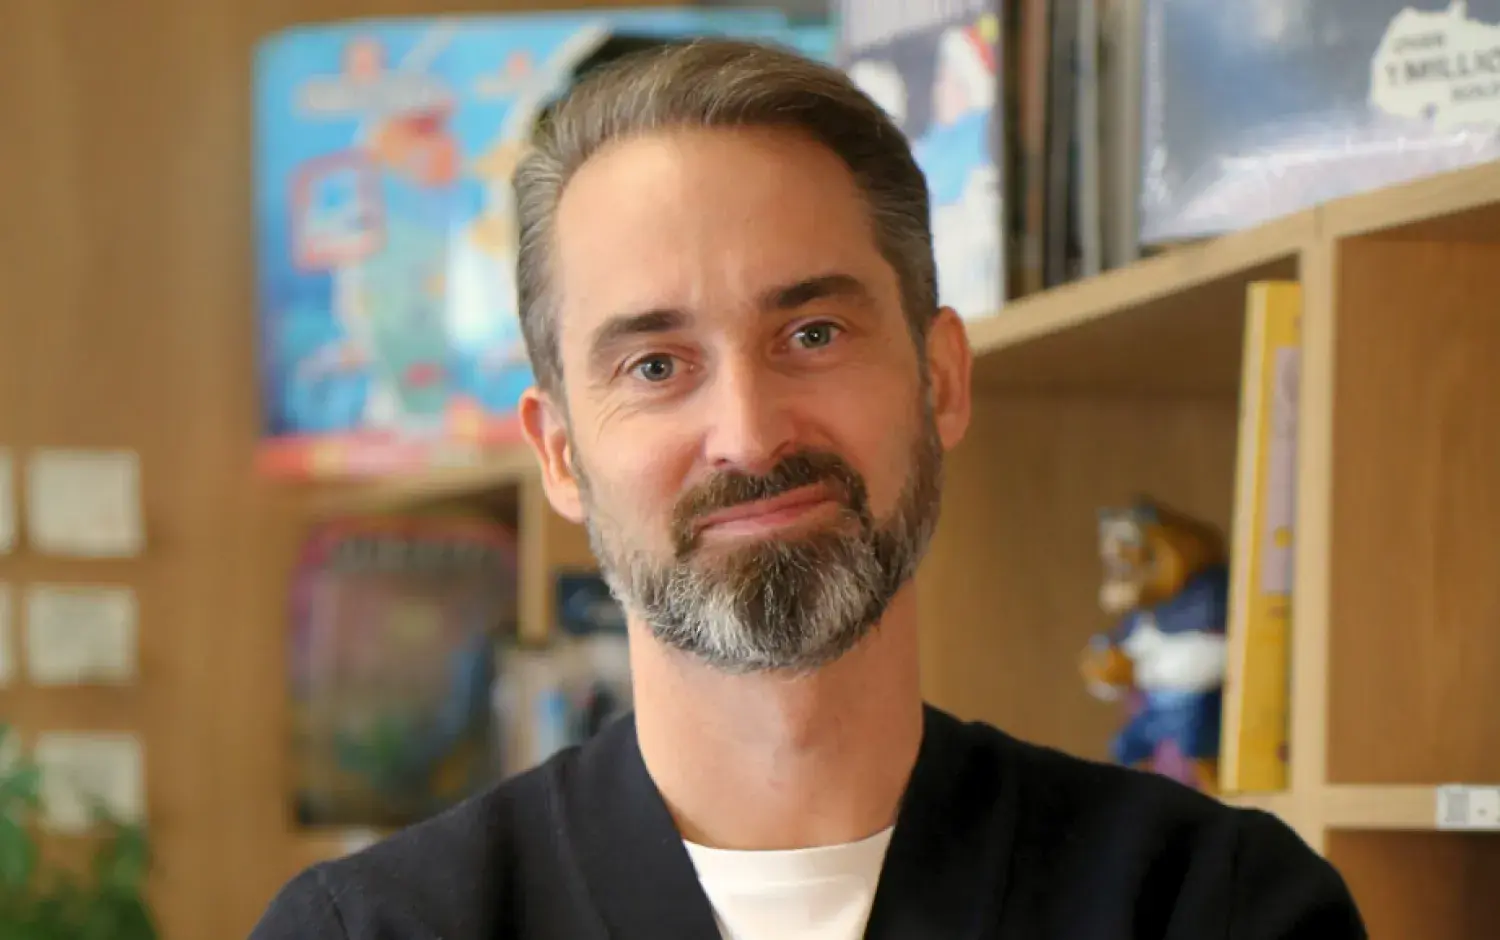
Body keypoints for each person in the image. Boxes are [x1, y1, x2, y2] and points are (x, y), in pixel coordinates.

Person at [249, 38, 1367, 940]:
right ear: (558, 455)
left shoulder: (1207, 906)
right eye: (655, 365)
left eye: (812, 331)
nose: (747, 430)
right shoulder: (378, 931)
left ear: (939, 379)